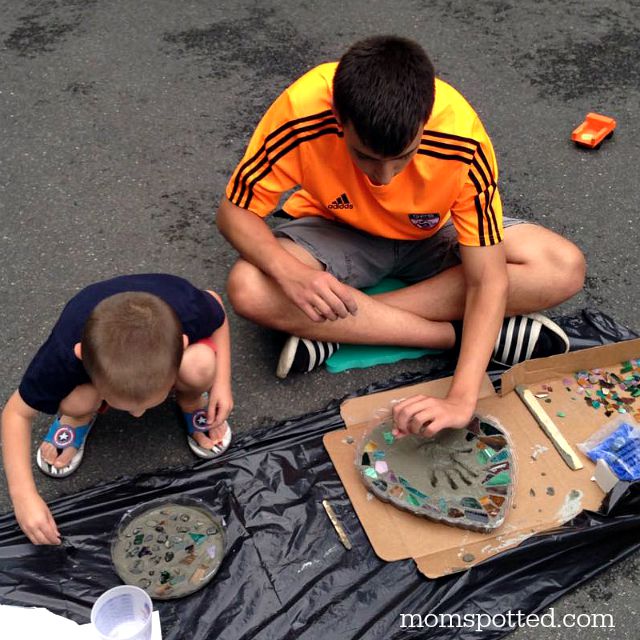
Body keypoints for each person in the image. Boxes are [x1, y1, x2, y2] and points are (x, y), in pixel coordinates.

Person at [217, 36, 585, 438]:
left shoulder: (463, 136)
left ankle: (338, 328)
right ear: (338, 119)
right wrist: (291, 274)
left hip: (433, 232)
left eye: (404, 157)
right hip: (336, 229)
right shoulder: (302, 109)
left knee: (563, 267)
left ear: (425, 122)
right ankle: (454, 335)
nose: (384, 177)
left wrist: (462, 398)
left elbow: (487, 278)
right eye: (365, 156)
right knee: (250, 287)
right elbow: (234, 212)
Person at [1, 273, 233, 545]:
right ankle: (79, 415)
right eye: (127, 405)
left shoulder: (187, 308)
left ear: (181, 344)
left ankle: (191, 399)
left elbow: (217, 308)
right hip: (92, 357)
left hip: (171, 328)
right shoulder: (63, 353)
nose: (137, 415)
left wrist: (221, 384)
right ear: (81, 357)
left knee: (202, 366)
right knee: (76, 400)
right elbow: (15, 413)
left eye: (148, 403)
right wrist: (24, 497)